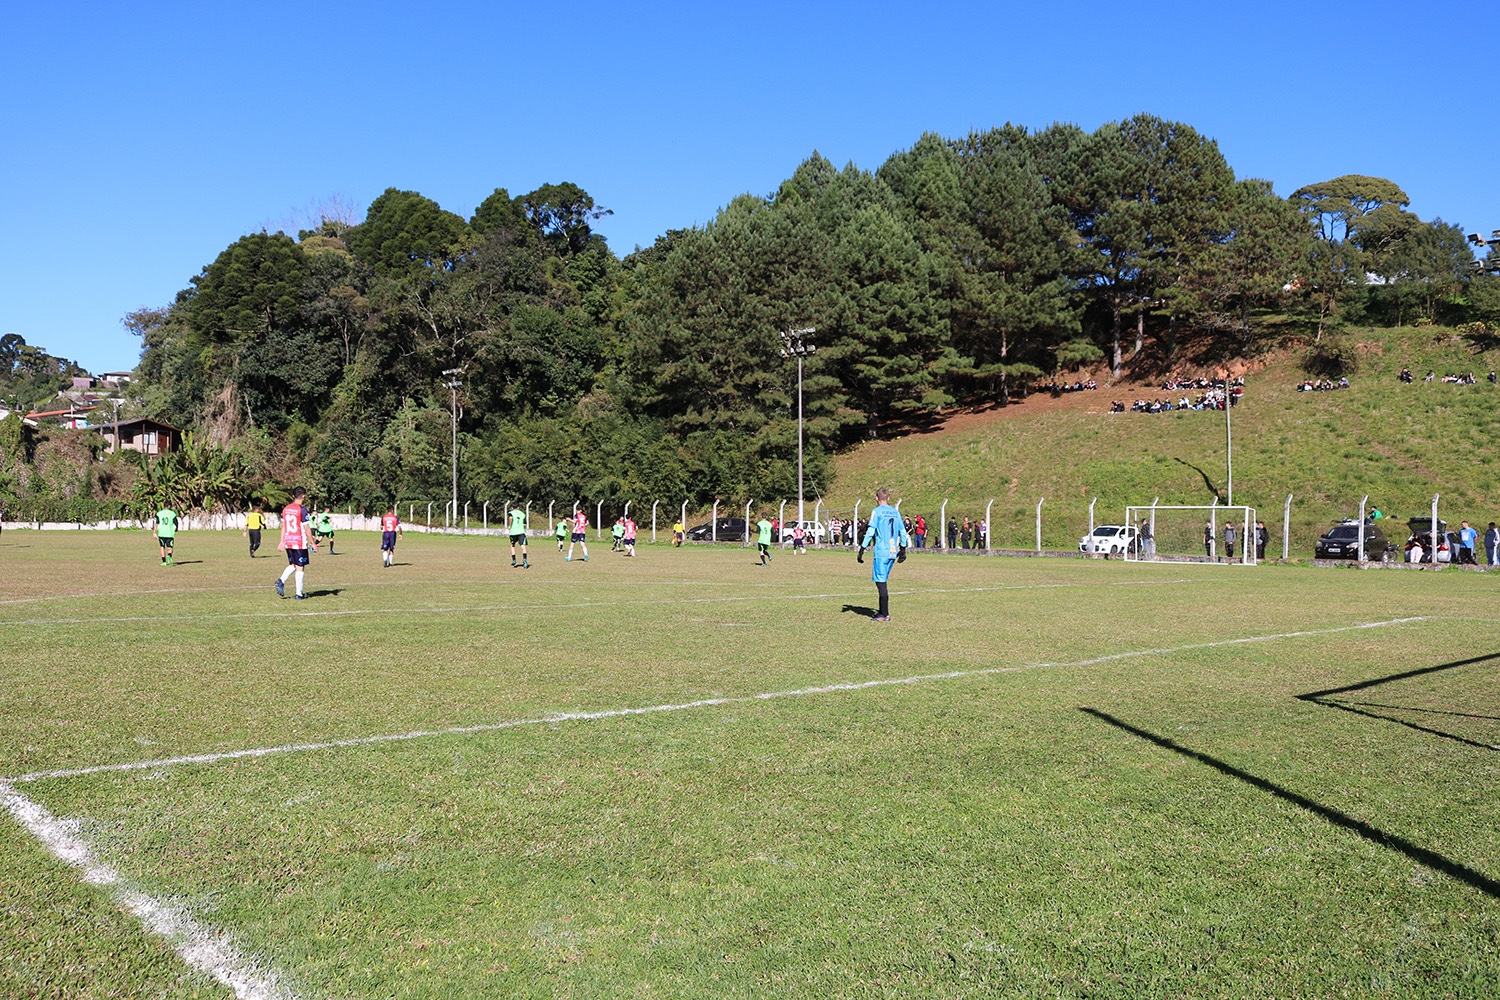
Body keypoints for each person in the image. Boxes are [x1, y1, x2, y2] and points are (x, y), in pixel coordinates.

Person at [857, 487, 910, 622]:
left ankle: (884, 614)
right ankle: (881, 611)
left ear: (876, 498)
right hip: (893, 551)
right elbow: (903, 532)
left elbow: (870, 530)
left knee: (881, 583)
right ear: (889, 498)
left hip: (881, 551)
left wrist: (863, 547)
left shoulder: (876, 512)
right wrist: (903, 549)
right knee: (883, 580)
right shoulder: (895, 512)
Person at [275, 487, 313, 599]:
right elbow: (306, 528)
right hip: (299, 542)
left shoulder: (286, 509)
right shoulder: (302, 509)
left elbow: (284, 526)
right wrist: (313, 542)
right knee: (300, 567)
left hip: (288, 541)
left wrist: (282, 541)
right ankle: (299, 594)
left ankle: (281, 580)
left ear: (293, 496)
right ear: (303, 496)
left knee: (293, 565)